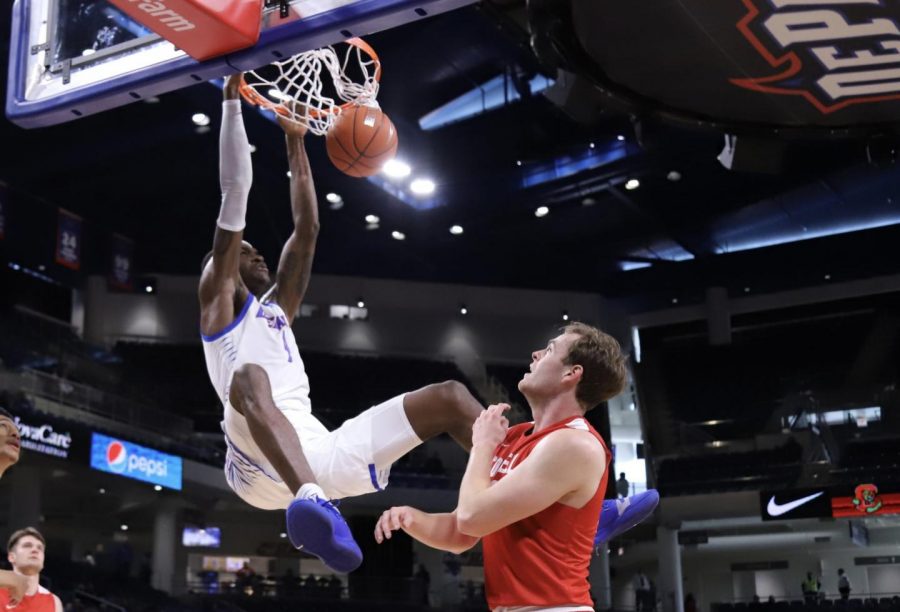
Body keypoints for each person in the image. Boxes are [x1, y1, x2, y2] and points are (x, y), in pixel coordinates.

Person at [200, 75, 488, 574]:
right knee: (248, 378)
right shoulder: (218, 309)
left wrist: (294, 140)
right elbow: (235, 191)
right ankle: (312, 503)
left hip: (312, 454)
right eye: (246, 251)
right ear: (222, 268)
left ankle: (541, 495)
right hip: (252, 462)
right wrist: (231, 101)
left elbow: (307, 229)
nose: (257, 252)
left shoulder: (277, 310)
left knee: (450, 398)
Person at [374, 324, 657, 611]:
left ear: (571, 374)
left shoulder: (575, 444)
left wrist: (483, 446)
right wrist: (411, 518)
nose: (535, 354)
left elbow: (472, 518)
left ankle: (596, 521)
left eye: (548, 350)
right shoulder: (515, 437)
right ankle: (596, 522)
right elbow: (460, 535)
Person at [0, 528, 63, 612]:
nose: (35, 550)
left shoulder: (54, 601)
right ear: (11, 557)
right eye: (27, 545)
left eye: (40, 548)